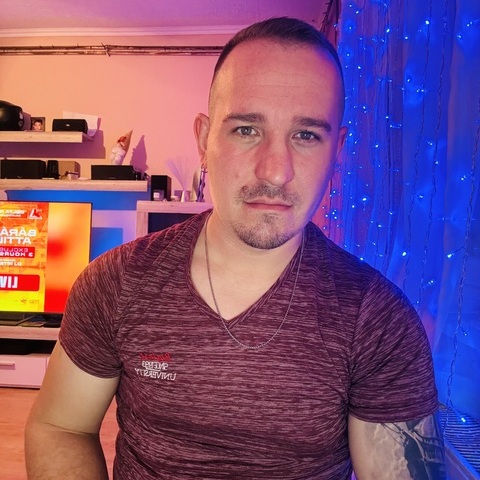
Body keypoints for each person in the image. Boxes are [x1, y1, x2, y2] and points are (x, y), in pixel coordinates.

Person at [25, 17, 446, 479]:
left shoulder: (379, 321)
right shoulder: (116, 282)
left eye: (306, 135)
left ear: (336, 150)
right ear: (204, 140)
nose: (275, 171)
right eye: (247, 129)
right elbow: (61, 427)